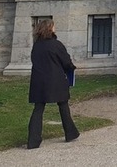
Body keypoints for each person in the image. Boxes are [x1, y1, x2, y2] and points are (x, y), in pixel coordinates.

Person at [27, 18, 79, 149]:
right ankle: (70, 132)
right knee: (63, 105)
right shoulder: (56, 45)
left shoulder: (36, 45)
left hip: (39, 80)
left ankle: (33, 140)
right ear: (50, 28)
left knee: (38, 109)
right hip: (56, 79)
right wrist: (71, 68)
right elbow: (66, 61)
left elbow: (34, 60)